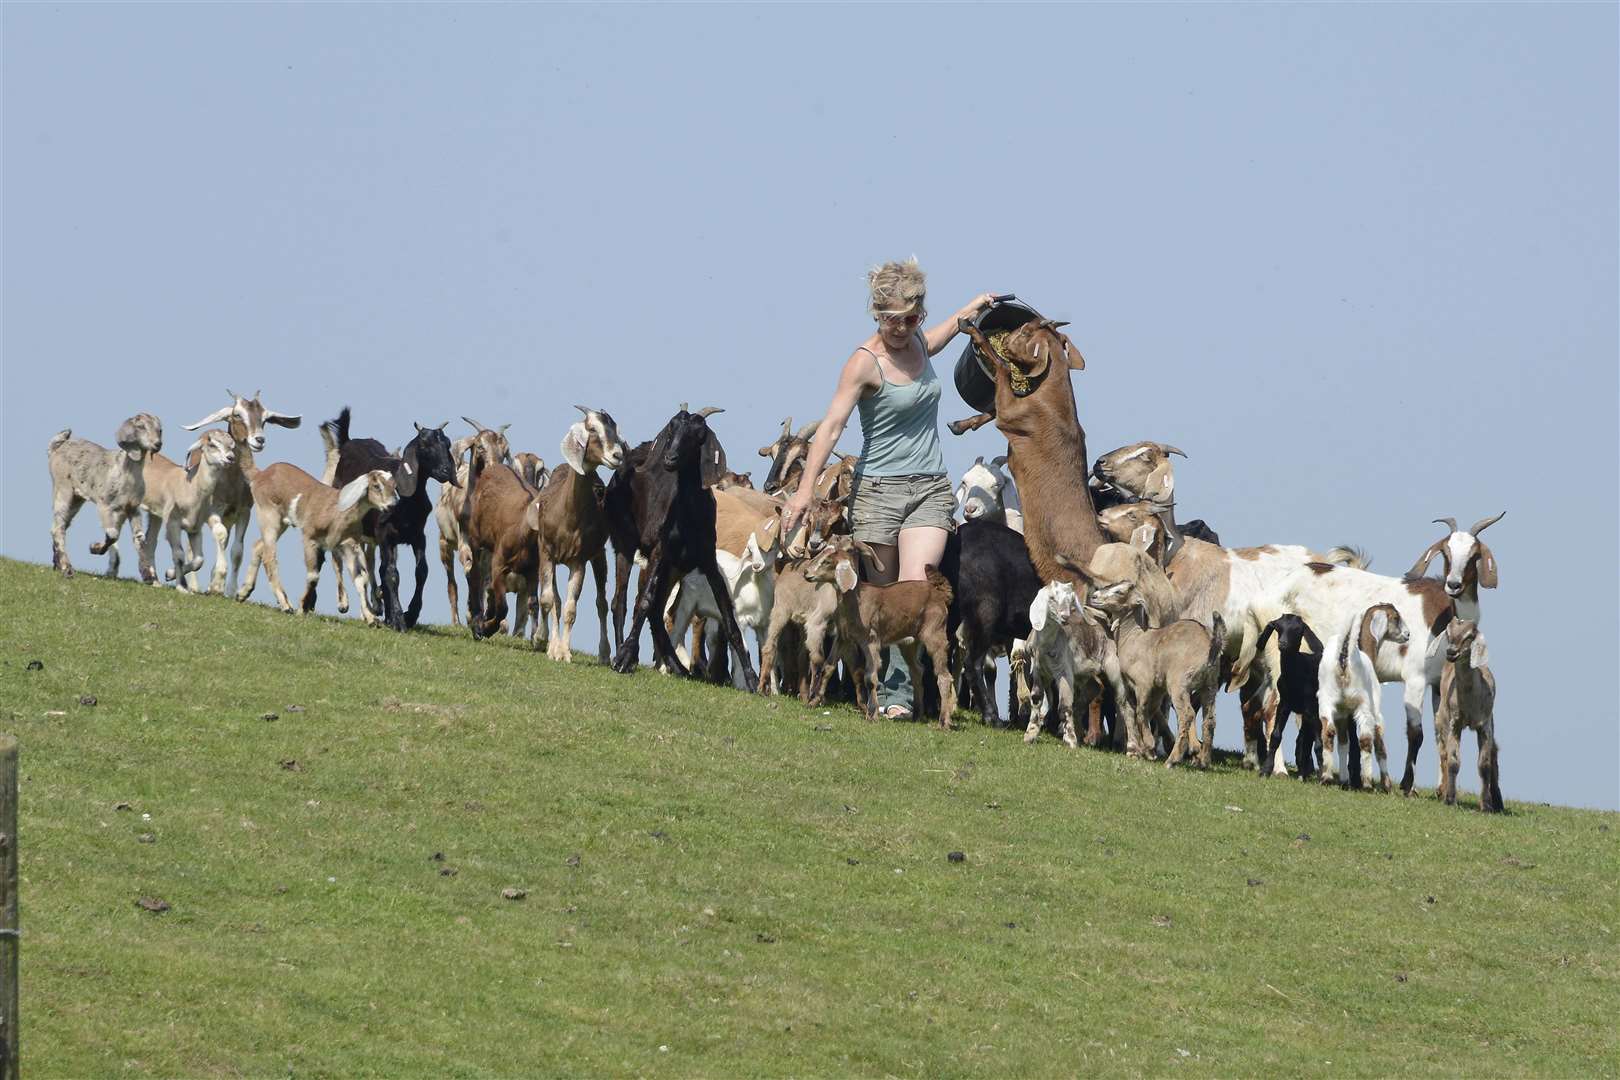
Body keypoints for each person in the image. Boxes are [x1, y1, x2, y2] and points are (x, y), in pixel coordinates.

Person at [782, 258, 995, 718]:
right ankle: (882, 694)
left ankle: (907, 697)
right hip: (877, 491)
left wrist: (975, 308)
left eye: (910, 318)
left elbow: (947, 332)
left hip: (929, 489)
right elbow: (832, 427)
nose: (901, 329)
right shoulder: (863, 363)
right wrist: (803, 493)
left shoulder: (919, 339)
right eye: (890, 320)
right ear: (876, 315)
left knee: (915, 588)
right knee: (879, 592)